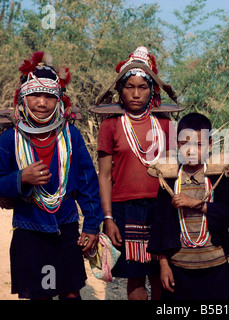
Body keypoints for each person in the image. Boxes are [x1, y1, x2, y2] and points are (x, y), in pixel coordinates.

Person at [0, 51, 104, 300]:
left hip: (67, 226)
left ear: (59, 100)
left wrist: (92, 225)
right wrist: (21, 178)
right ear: (23, 99)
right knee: (38, 293)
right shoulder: (11, 138)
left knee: (70, 292)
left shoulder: (70, 136)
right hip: (29, 229)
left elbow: (88, 183)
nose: (42, 103)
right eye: (35, 95)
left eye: (49, 96)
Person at [97, 46, 174, 300]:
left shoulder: (165, 124)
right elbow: (105, 176)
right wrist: (108, 218)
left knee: (161, 273)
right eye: (130, 87)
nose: (136, 94)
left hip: (161, 206)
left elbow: (176, 170)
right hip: (124, 208)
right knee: (136, 275)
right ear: (120, 90)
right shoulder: (110, 125)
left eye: (143, 87)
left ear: (152, 91)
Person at [147, 112, 229, 300]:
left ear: (210, 145)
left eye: (199, 145)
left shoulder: (218, 178)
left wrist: (196, 204)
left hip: (215, 266)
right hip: (179, 267)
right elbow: (160, 224)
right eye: (185, 144)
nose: (191, 151)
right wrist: (164, 265)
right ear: (177, 144)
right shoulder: (170, 181)